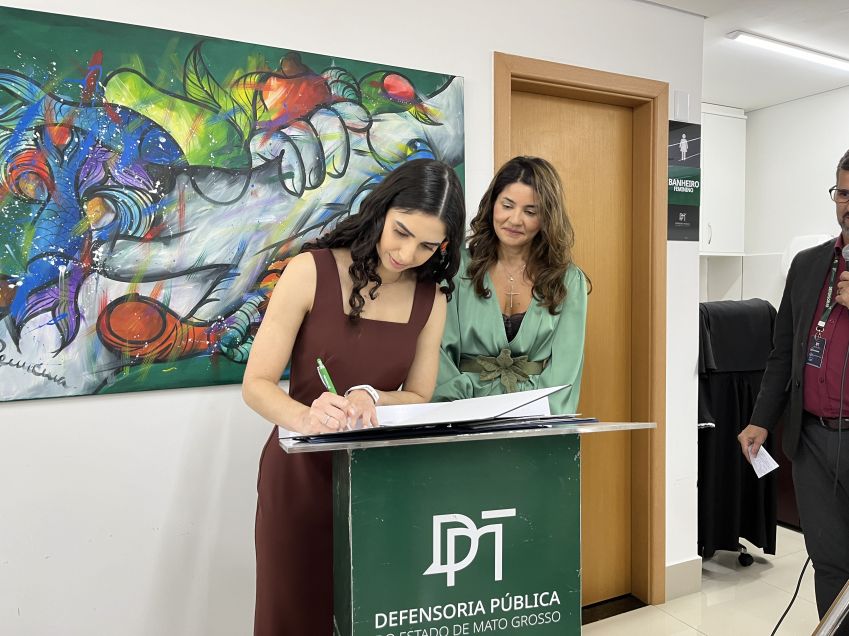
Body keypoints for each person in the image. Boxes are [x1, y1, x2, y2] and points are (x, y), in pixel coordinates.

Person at [242, 158, 465, 635]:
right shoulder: (310, 271)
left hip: (381, 482)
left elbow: (420, 394)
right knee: (294, 616)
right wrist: (306, 416)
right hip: (299, 478)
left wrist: (372, 396)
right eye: (401, 232)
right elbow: (256, 384)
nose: (407, 253)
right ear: (381, 211)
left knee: (375, 618)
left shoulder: (432, 299)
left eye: (428, 245)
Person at [739, 148, 849, 628]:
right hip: (813, 441)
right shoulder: (808, 265)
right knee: (829, 562)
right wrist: (761, 418)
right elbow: (783, 351)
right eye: (843, 193)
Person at [432, 156, 588, 414]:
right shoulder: (456, 269)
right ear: (492, 204)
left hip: (536, 418)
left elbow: (566, 371)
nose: (515, 220)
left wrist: (536, 418)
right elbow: (437, 354)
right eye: (507, 205)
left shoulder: (568, 280)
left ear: (547, 217)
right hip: (461, 413)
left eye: (530, 212)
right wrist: (457, 412)